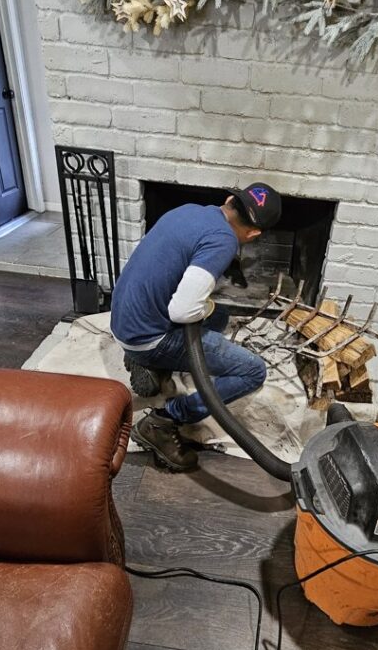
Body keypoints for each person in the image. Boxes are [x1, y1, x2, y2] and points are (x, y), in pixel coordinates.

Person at [110, 183, 282, 472]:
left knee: (219, 317)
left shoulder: (188, 211)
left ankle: (149, 364)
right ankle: (164, 421)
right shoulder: (223, 241)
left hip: (124, 320)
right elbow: (182, 311)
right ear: (254, 234)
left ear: (229, 200)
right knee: (253, 371)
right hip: (147, 338)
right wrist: (200, 307)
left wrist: (206, 308)